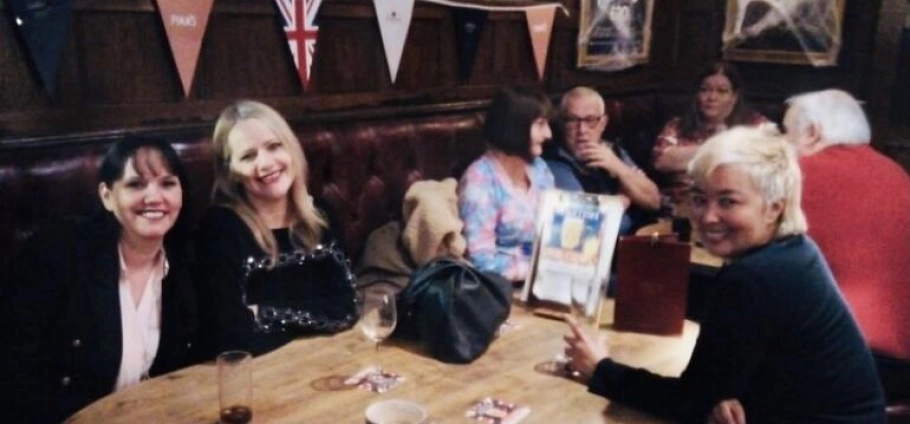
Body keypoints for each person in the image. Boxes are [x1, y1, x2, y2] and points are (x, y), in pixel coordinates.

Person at [564, 127, 885, 423]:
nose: (708, 216)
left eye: (728, 201)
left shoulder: (757, 278)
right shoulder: (794, 251)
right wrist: (721, 399)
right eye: (700, 199)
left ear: (774, 207)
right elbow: (718, 393)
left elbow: (688, 403)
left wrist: (600, 369)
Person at [0, 137, 200, 423]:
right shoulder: (60, 252)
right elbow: (15, 375)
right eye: (135, 184)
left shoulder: (186, 262)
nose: (154, 197)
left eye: (167, 183)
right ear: (107, 196)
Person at [196, 100, 358, 356]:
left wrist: (264, 312)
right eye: (248, 156)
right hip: (262, 375)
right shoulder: (220, 228)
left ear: (291, 148)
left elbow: (347, 308)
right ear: (230, 172)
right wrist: (313, 315)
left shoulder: (321, 215)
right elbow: (231, 334)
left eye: (274, 146)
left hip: (328, 361)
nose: (266, 164)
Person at [783, 88, 910, 402]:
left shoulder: (800, 175)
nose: (784, 145)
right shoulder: (897, 173)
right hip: (900, 371)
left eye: (787, 134)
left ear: (811, 133)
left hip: (843, 363)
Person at [458, 86, 556, 282]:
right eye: (540, 124)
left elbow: (556, 230)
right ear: (515, 127)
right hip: (502, 288)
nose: (549, 134)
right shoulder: (481, 179)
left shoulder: (540, 169)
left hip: (547, 278)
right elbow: (481, 262)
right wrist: (536, 270)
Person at [652, 61, 770, 211]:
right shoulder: (678, 126)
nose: (712, 97)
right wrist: (725, 147)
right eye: (705, 90)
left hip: (736, 205)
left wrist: (689, 156)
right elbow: (662, 161)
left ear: (734, 97)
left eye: (722, 91)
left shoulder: (756, 125)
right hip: (683, 204)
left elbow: (768, 160)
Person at [543, 86, 660, 234]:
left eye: (590, 120)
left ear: (603, 123)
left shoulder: (612, 151)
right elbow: (583, 223)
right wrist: (626, 197)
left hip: (642, 238)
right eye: (572, 120)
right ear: (562, 124)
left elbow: (654, 201)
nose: (582, 130)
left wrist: (619, 168)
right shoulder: (556, 162)